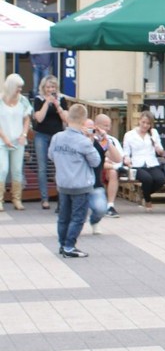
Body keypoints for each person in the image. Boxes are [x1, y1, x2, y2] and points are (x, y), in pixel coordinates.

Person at [48, 102, 100, 257]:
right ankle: (70, 246)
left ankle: (62, 244)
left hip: (63, 183)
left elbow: (50, 156)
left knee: (63, 217)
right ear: (84, 121)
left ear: (68, 117)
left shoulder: (57, 137)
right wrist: (90, 141)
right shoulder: (83, 141)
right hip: (80, 185)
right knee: (78, 218)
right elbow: (96, 161)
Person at [31, 74, 69, 208]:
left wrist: (58, 106)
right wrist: (47, 102)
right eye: (48, 87)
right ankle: (44, 198)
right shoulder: (38, 99)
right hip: (41, 135)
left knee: (58, 166)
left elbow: (66, 120)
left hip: (57, 135)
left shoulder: (62, 99)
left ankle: (61, 197)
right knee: (42, 167)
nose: (50, 89)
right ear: (43, 88)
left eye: (52, 87)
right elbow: (39, 118)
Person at [0, 73, 33, 211]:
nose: (20, 90)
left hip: (18, 141)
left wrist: (24, 134)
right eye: (18, 87)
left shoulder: (23, 100)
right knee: (3, 169)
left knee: (17, 170)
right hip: (2, 141)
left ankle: (17, 199)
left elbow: (27, 119)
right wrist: (5, 138)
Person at [122, 110, 165, 210]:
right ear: (139, 121)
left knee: (160, 180)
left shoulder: (153, 132)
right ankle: (148, 200)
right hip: (137, 164)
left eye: (148, 123)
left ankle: (143, 193)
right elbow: (126, 152)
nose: (145, 125)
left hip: (152, 163)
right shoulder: (129, 135)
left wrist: (158, 148)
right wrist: (127, 159)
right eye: (143, 122)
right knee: (147, 179)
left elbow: (160, 150)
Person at [93, 113, 125, 216]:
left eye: (109, 125)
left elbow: (118, 159)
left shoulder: (103, 141)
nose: (108, 129)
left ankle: (110, 206)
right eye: (105, 126)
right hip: (86, 175)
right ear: (96, 126)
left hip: (101, 173)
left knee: (113, 173)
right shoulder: (85, 139)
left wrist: (105, 140)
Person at [81, 116, 109, 234]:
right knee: (78, 214)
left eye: (92, 129)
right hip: (79, 184)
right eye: (87, 129)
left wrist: (105, 139)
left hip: (96, 184)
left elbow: (117, 158)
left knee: (101, 209)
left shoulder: (100, 143)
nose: (89, 132)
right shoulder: (77, 142)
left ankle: (94, 221)